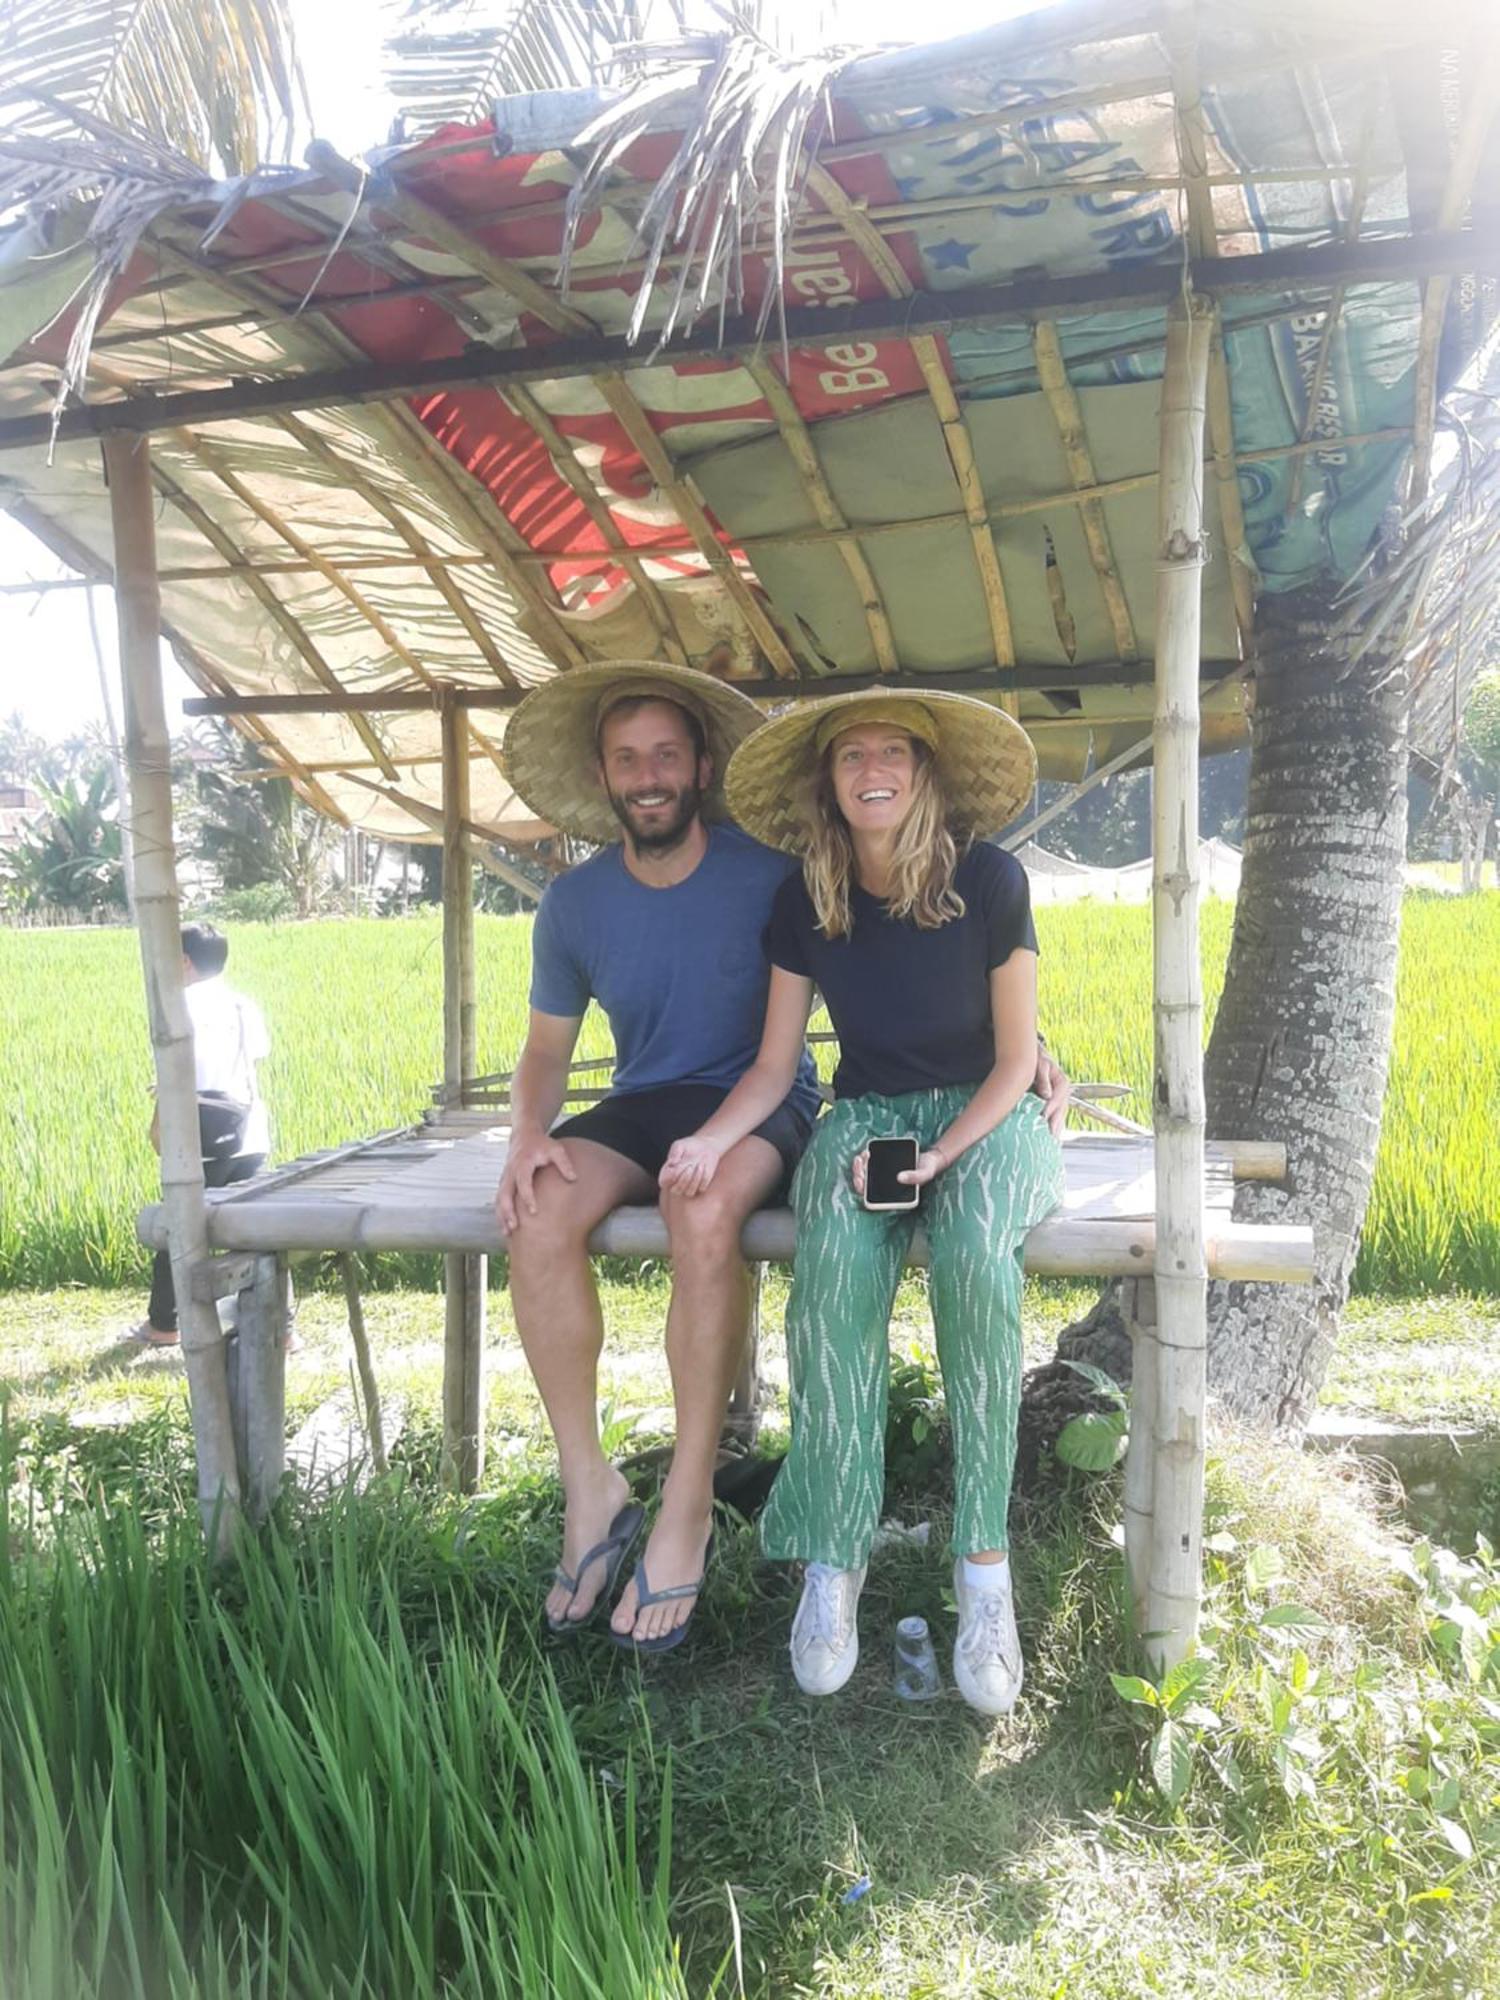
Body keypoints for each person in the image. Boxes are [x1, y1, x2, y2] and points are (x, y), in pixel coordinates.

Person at [498, 662, 1069, 1656]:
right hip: (690, 1105)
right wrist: (526, 1135)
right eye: (629, 758)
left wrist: (1021, 1062)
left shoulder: (830, 870)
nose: (649, 774)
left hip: (848, 1111)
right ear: (603, 773)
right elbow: (562, 1053)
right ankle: (626, 1501)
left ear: (700, 766)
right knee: (556, 1215)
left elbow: (953, 985)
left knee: (760, 1218)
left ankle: (724, 1512)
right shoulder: (628, 899)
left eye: (667, 755)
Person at [659, 691, 1065, 1715]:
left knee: (976, 1261)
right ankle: (833, 1563)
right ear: (828, 780)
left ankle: (984, 1570)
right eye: (852, 755)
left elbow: (1018, 1058)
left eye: (892, 751)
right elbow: (774, 1062)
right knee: (829, 1276)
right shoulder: (809, 896)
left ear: (923, 771)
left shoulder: (988, 877)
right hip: (869, 1114)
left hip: (986, 1114)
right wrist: (711, 1136)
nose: (871, 767)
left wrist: (943, 1157)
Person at [124, 922, 271, 1348]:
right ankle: (280, 1330)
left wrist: (158, 1124)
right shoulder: (245, 1005)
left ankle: (164, 1325)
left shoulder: (180, 1005)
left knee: (178, 1229)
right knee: (257, 1232)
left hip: (197, 1139)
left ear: (184, 961)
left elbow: (176, 1075)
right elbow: (252, 1059)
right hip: (248, 1132)